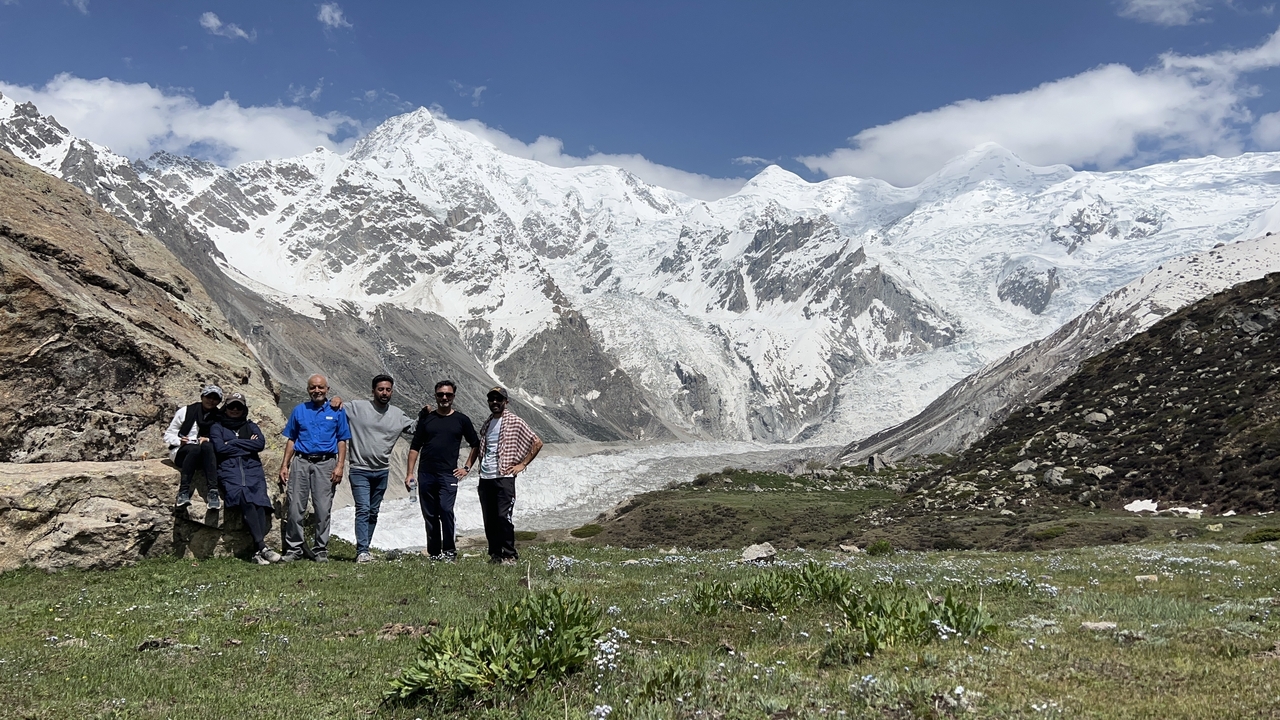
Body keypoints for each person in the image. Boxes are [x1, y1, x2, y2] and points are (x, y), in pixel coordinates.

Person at [277, 374, 350, 562]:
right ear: (308, 390)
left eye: (320, 387)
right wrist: (285, 464)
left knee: (323, 508)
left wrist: (340, 466)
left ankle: (321, 550)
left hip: (326, 463)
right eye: (312, 388)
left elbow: (342, 440)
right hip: (301, 461)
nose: (316, 391)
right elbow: (291, 439)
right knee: (295, 507)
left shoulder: (337, 411)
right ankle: (294, 549)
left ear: (327, 389)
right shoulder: (299, 410)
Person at [343, 374, 415, 563]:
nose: (384, 393)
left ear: (392, 391)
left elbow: (416, 428)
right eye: (380, 389)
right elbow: (336, 407)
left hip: (382, 471)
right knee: (363, 509)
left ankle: (365, 549)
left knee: (373, 511)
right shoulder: (357, 407)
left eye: (388, 390)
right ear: (373, 390)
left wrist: (427, 415)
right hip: (359, 469)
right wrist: (335, 400)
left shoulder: (398, 415)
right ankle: (362, 551)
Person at [468, 386, 542, 565]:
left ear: (505, 402)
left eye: (498, 399)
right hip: (486, 477)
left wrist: (522, 465)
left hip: (504, 477)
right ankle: (495, 555)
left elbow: (537, 442)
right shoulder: (488, 422)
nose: (495, 402)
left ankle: (510, 555)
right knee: (490, 518)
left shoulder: (514, 421)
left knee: (503, 516)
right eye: (491, 399)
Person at [407, 380, 479, 561]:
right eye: (440, 394)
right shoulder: (427, 420)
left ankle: (449, 551)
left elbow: (476, 445)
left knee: (446, 510)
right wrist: (409, 473)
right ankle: (434, 553)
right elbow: (415, 447)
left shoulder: (462, 420)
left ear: (453, 396)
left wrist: (467, 468)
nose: (444, 398)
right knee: (430, 514)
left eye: (448, 394)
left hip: (448, 474)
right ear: (435, 396)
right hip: (426, 473)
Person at [209, 393, 281, 565]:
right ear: (225, 408)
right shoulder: (217, 427)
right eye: (232, 406)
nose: (235, 410)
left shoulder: (250, 426)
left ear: (244, 409)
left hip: (252, 470)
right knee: (244, 497)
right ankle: (262, 547)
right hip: (229, 471)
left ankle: (257, 552)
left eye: (238, 407)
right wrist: (245, 444)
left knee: (259, 503)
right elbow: (219, 448)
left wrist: (232, 443)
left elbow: (259, 444)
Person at [162, 384, 224, 510]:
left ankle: (213, 492)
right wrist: (179, 440)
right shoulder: (186, 411)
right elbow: (168, 435)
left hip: (205, 456)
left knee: (207, 446)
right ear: (202, 397)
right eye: (208, 397)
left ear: (218, 401)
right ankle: (183, 491)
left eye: (215, 398)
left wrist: (209, 439)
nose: (211, 401)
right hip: (183, 452)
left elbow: (223, 438)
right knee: (195, 448)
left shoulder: (219, 417)